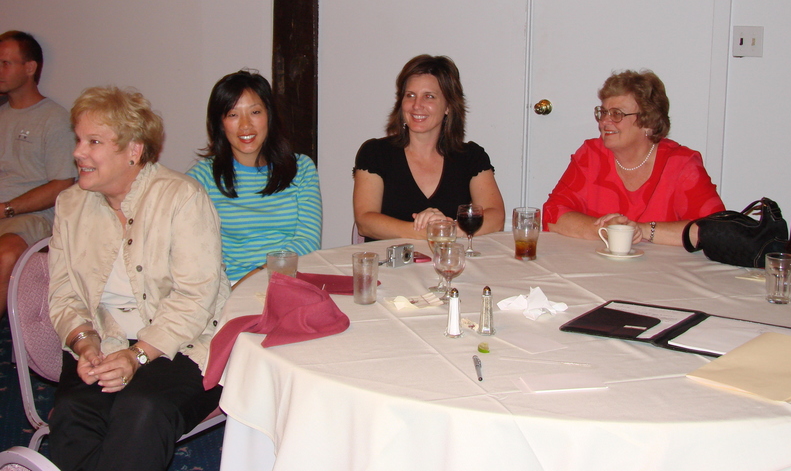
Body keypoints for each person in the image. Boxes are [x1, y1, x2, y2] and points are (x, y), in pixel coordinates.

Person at [48, 87, 230, 471]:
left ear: (133, 149)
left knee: (142, 410)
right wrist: (84, 342)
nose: (78, 152)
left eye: (94, 142)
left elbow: (196, 297)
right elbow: (63, 292)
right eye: (78, 140)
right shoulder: (70, 205)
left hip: (182, 342)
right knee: (73, 413)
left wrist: (137, 355)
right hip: (104, 338)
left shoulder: (181, 197)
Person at [542, 69, 725, 246]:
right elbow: (552, 214)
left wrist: (642, 230)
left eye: (617, 114)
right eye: (603, 112)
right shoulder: (591, 155)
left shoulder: (681, 164)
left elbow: (715, 230)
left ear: (648, 122)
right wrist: (605, 229)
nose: (604, 121)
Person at [188, 69, 322, 282]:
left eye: (255, 112)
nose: (245, 125)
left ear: (269, 115)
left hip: (289, 280)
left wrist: (256, 276)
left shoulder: (301, 168)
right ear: (220, 123)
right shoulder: (203, 176)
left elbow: (308, 241)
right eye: (233, 115)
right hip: (231, 285)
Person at [353, 54, 505, 241]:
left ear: (448, 106)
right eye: (410, 95)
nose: (417, 105)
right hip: (389, 259)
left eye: (429, 96)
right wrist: (427, 232)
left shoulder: (471, 157)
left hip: (450, 257)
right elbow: (365, 222)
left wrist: (447, 229)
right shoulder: (375, 153)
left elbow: (496, 218)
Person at [0, 30, 75, 318]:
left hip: (30, 217)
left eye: (6, 63)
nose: (0, 70)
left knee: (6, 254)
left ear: (30, 67)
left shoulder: (54, 118)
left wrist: (6, 209)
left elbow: (62, 184)